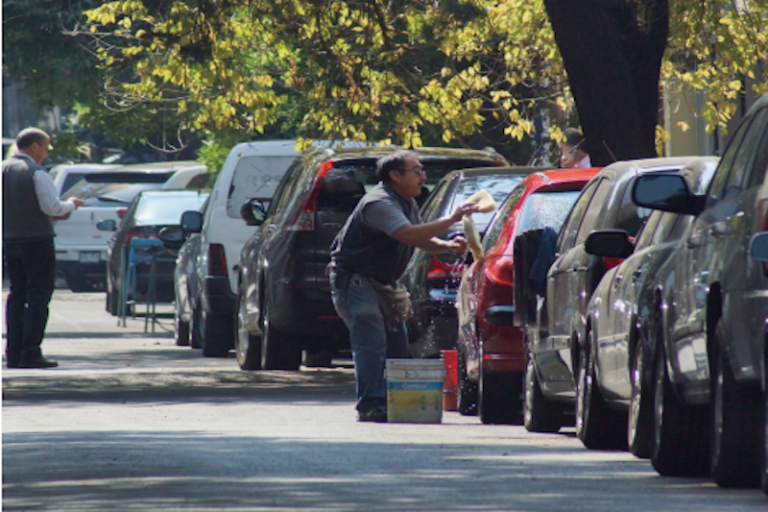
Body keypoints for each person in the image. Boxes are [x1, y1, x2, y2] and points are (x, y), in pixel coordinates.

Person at [329, 149, 479, 422]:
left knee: (397, 345)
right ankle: (371, 405)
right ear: (395, 175)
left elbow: (418, 238)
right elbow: (406, 234)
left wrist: (446, 245)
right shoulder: (379, 203)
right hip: (356, 282)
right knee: (372, 341)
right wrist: (451, 218)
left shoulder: (406, 202)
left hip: (384, 284)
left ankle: (393, 401)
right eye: (417, 171)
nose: (423, 177)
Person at [3, 128, 85, 368]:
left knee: (16, 295)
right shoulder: (37, 173)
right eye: (46, 148)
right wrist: (71, 204)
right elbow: (52, 207)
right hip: (37, 241)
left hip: (10, 240)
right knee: (38, 296)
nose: (46, 154)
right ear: (35, 147)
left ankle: (14, 352)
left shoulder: (3, 169)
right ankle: (31, 351)